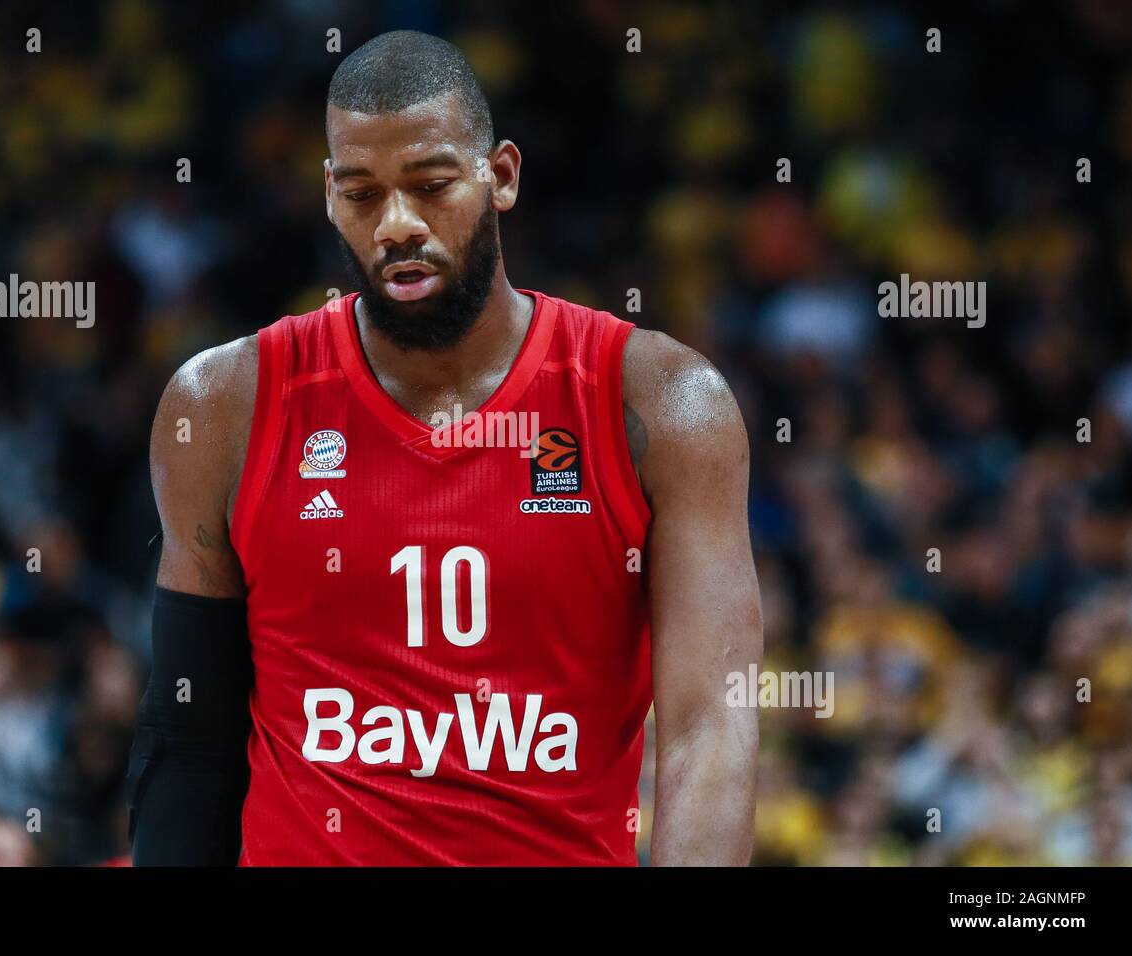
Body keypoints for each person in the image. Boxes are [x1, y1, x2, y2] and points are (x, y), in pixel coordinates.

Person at [128, 30, 761, 866]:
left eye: (430, 186)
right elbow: (189, 736)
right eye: (361, 193)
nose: (397, 224)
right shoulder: (222, 407)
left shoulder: (661, 405)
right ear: (328, 196)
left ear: (500, 175)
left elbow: (707, 731)